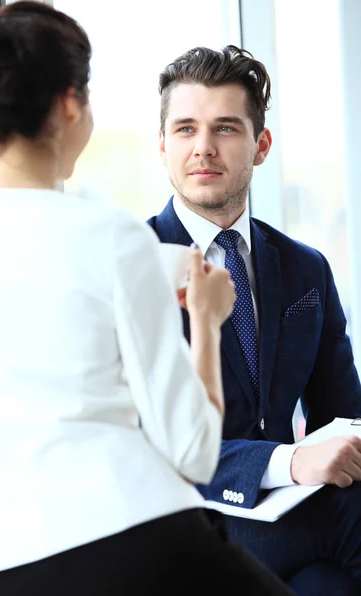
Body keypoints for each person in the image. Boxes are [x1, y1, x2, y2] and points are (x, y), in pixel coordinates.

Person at [0, 2, 296, 596]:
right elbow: (192, 454)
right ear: (71, 104)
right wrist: (209, 318)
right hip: (136, 538)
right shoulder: (113, 237)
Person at [147, 44, 361, 593]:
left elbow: (344, 412)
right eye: (186, 129)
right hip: (188, 522)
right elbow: (149, 444)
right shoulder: (134, 265)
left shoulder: (304, 268)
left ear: (261, 145)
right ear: (163, 146)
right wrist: (289, 463)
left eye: (225, 128)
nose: (203, 148)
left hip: (295, 528)